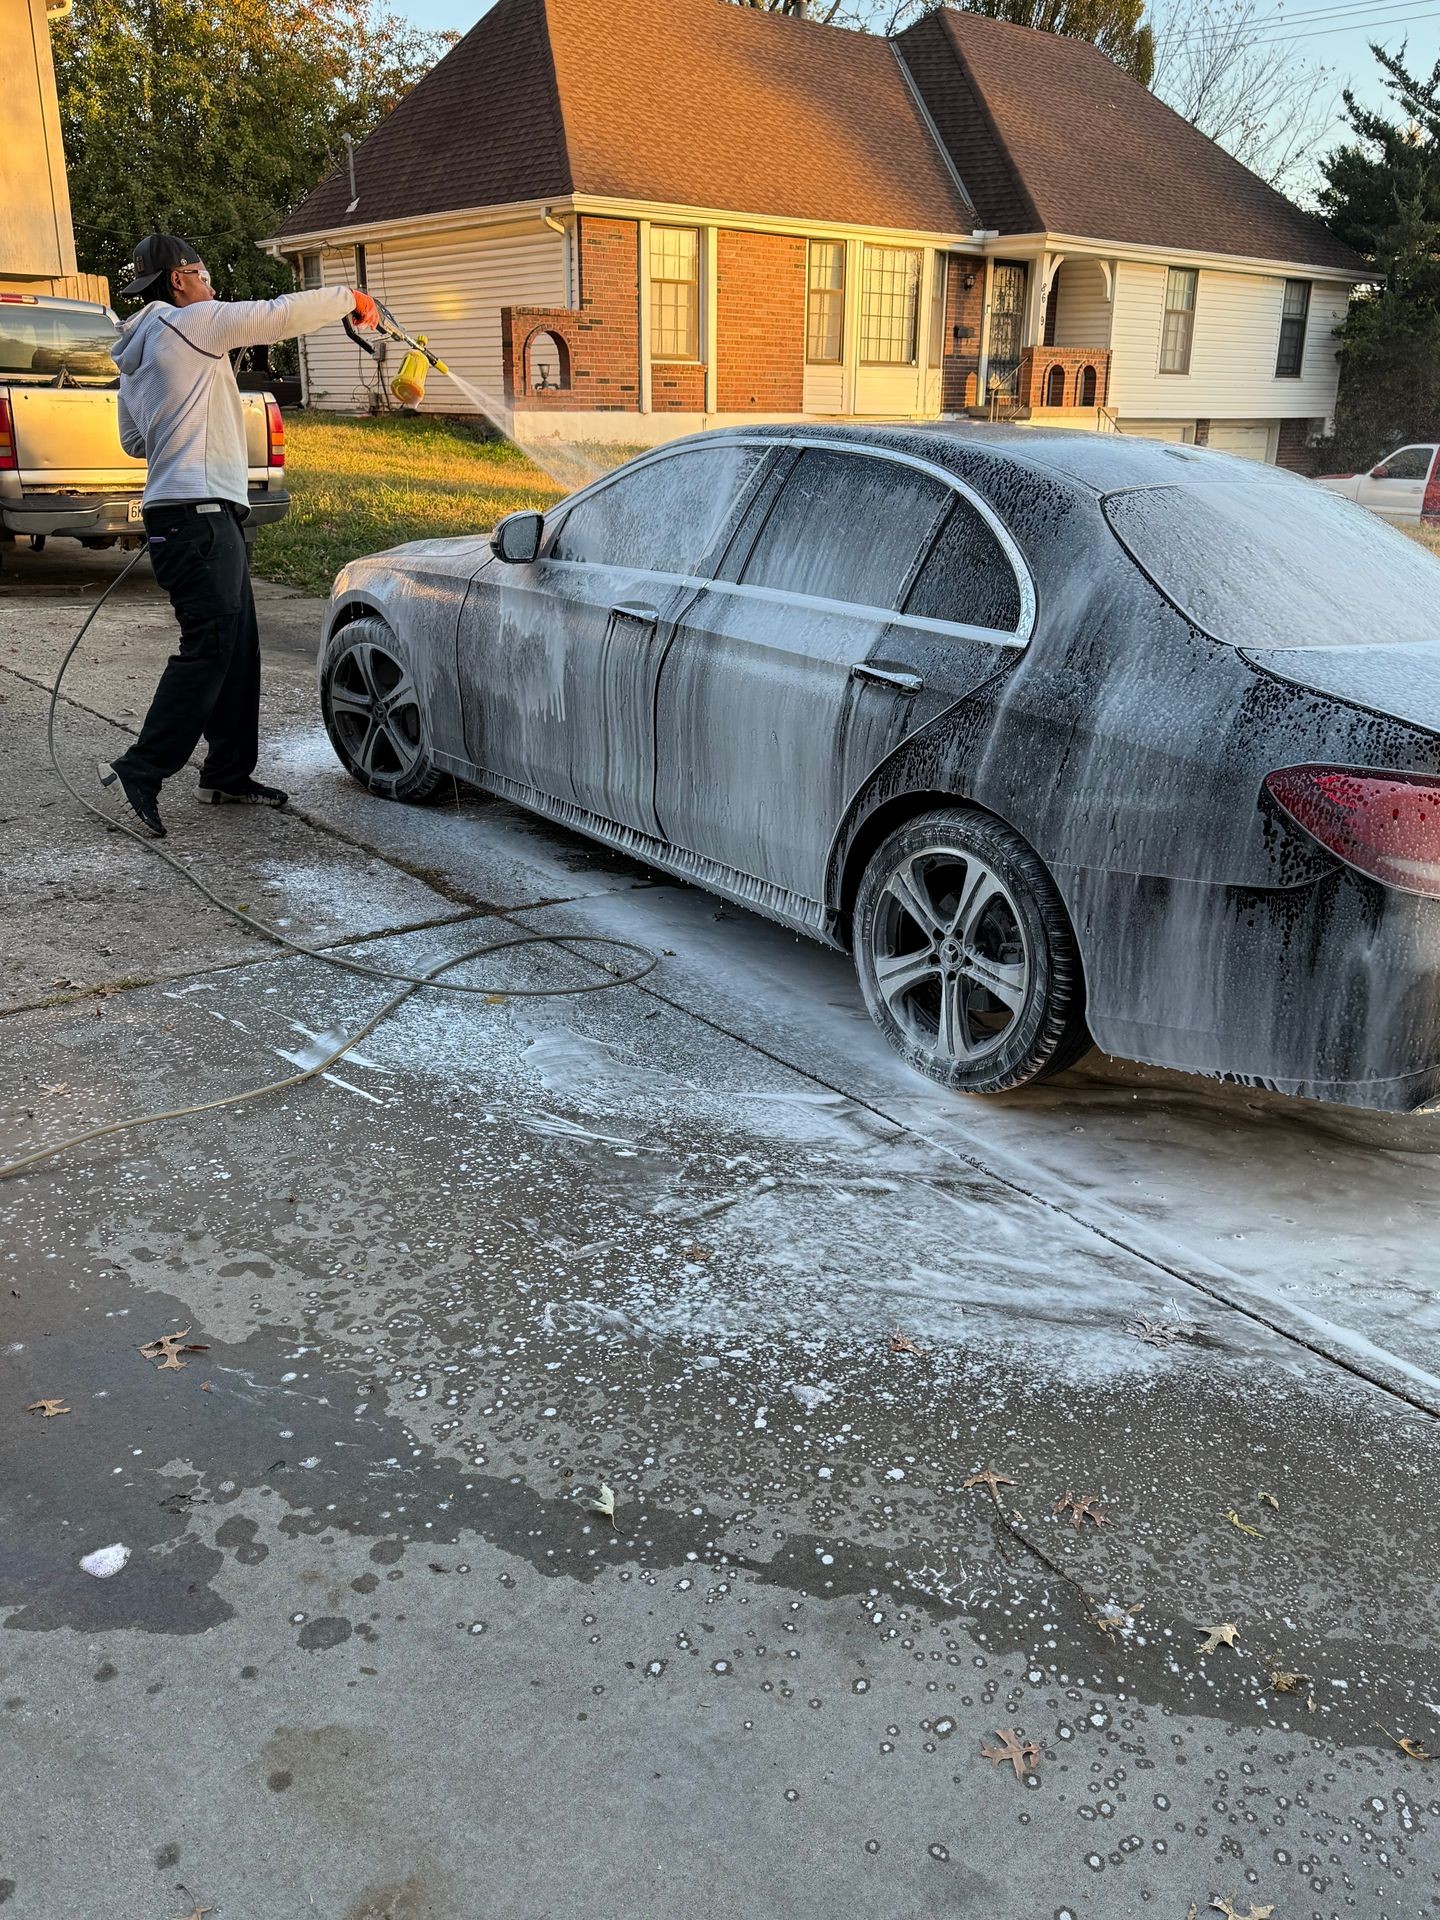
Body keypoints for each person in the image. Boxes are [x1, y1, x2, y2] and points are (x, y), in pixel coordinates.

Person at [98, 233, 380, 838]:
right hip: (195, 514)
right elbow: (274, 316)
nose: (211, 285)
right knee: (210, 646)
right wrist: (347, 297)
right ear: (177, 279)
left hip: (196, 513)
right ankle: (141, 768)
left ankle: (227, 772)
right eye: (202, 273)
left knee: (238, 645)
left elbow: (134, 442)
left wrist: (190, 427)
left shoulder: (143, 349)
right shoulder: (192, 323)